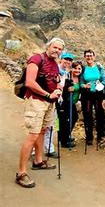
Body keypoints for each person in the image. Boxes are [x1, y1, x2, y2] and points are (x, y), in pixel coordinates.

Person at [16, 38, 64, 188]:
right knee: (33, 135)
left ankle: (38, 161)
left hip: (49, 103)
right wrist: (48, 95)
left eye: (59, 49)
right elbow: (30, 82)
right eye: (54, 47)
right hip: (37, 101)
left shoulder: (55, 64)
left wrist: (58, 90)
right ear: (48, 46)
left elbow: (56, 81)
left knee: (43, 131)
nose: (56, 50)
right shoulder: (37, 58)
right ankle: (21, 173)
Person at [42, 52, 74, 158]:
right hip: (49, 99)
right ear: (61, 59)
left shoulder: (65, 72)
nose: (67, 62)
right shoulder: (56, 70)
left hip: (58, 101)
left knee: (51, 125)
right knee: (43, 126)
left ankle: (49, 149)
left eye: (70, 60)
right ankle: (35, 150)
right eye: (66, 59)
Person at [80, 49, 105, 146]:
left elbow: (104, 80)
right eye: (87, 56)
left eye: (91, 55)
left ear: (94, 57)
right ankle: (89, 137)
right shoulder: (83, 69)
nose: (89, 57)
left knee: (100, 115)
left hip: (98, 94)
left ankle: (100, 136)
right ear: (85, 57)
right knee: (87, 116)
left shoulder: (99, 68)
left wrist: (100, 84)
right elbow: (81, 83)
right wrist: (84, 86)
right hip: (87, 95)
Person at [57, 61, 82, 148]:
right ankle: (64, 140)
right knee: (65, 120)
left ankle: (64, 136)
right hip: (65, 101)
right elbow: (62, 86)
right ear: (71, 68)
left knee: (71, 119)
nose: (77, 70)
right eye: (75, 68)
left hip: (73, 102)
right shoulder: (67, 76)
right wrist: (68, 88)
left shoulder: (80, 78)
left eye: (79, 69)